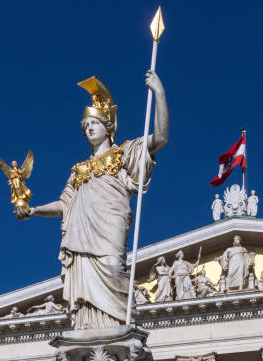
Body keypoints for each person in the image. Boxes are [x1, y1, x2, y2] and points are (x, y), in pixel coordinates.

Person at [15, 72, 169, 329]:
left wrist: (159, 94)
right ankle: (89, 330)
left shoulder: (124, 154)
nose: (88, 129)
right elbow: (65, 205)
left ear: (108, 126)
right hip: (81, 235)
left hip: (109, 226)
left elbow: (161, 138)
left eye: (93, 124)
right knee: (85, 289)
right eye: (85, 126)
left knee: (112, 267)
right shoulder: (79, 170)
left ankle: (118, 330)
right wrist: (34, 210)